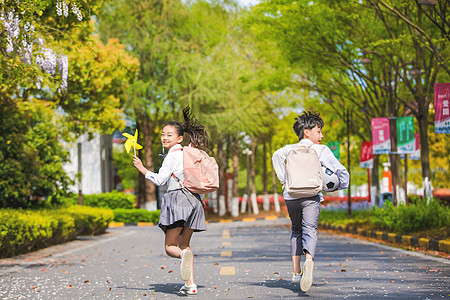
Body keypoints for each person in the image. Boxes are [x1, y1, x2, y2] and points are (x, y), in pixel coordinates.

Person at [132, 106, 208, 295]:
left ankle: (184, 258)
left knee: (170, 247)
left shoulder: (173, 156)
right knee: (185, 245)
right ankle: (191, 285)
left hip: (178, 200)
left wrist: (142, 168)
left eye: (169, 135)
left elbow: (160, 180)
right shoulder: (191, 153)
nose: (164, 138)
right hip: (195, 202)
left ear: (179, 138)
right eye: (163, 135)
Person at [272, 111, 349, 292]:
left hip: (291, 195)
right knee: (310, 229)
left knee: (296, 230)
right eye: (318, 131)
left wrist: (284, 179)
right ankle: (309, 261)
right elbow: (340, 170)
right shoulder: (321, 150)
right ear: (307, 131)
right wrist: (340, 185)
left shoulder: (288, 149)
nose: (321, 136)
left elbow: (276, 156)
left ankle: (296, 272)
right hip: (311, 195)